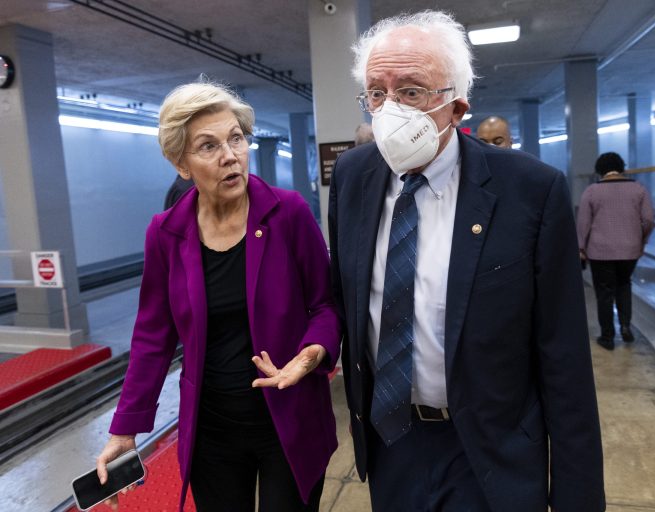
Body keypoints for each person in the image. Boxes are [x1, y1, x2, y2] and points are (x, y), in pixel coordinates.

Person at [329, 10, 605, 512]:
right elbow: (345, 299)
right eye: (376, 93)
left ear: (456, 106)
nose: (389, 110)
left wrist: (577, 496)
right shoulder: (353, 177)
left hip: (489, 450)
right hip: (392, 440)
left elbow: (564, 358)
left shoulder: (530, 191)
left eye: (410, 91)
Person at [96, 82, 341, 512]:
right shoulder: (166, 233)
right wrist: (125, 430)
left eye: (236, 138)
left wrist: (309, 356)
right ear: (181, 164)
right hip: (212, 427)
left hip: (288, 417)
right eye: (208, 146)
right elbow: (153, 339)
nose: (230, 155)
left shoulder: (289, 214)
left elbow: (325, 305)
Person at [577, 152, 654, 351]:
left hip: (600, 251)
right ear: (622, 168)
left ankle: (608, 336)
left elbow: (583, 223)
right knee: (624, 285)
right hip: (630, 250)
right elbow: (648, 220)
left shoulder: (592, 191)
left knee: (604, 292)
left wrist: (581, 248)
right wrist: (641, 239)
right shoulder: (639, 189)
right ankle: (626, 327)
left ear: (599, 171)